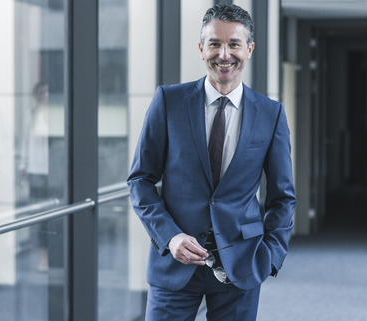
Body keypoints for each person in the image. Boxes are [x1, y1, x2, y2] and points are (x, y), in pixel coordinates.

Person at [127, 3, 296, 320]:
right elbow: (140, 181)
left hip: (242, 265)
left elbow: (283, 197)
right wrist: (170, 236)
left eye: (234, 44)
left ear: (249, 49)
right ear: (201, 48)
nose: (224, 54)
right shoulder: (168, 102)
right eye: (215, 44)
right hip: (174, 263)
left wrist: (271, 256)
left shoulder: (271, 115)